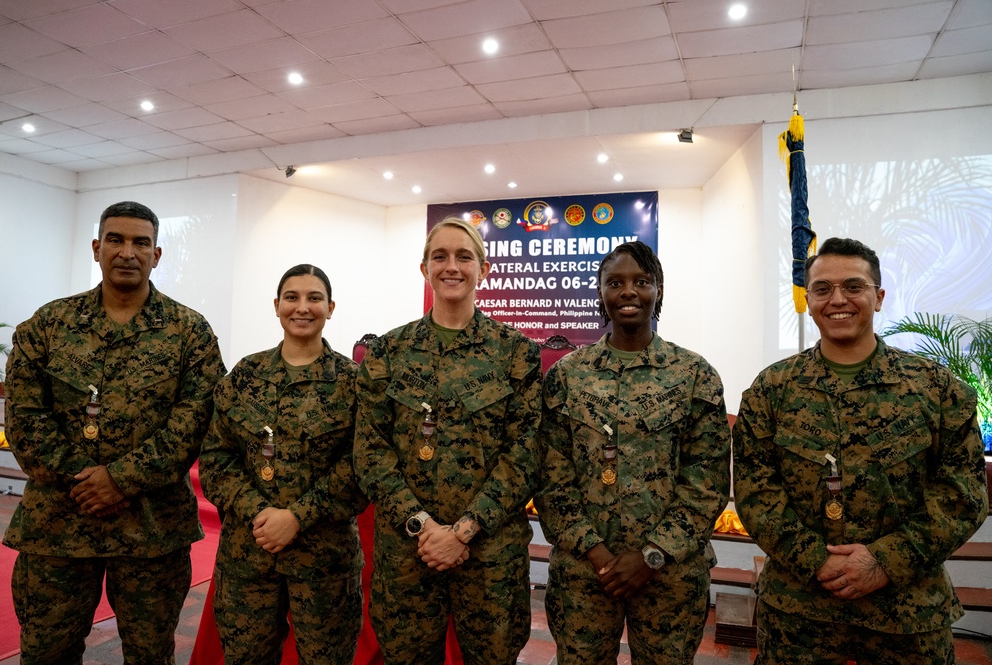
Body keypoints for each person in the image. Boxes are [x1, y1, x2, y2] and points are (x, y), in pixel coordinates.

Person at [733, 237, 989, 664]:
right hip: (799, 617)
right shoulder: (772, 390)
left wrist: (885, 560)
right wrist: (816, 560)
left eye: (853, 286)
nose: (838, 300)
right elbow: (756, 493)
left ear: (879, 296)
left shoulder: (936, 388)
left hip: (907, 616)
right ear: (809, 300)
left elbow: (964, 496)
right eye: (822, 289)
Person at [3, 200, 225, 665]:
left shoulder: (190, 333)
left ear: (157, 254)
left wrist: (120, 480)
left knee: (150, 656)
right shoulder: (47, 325)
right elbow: (25, 421)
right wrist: (87, 482)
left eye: (141, 243)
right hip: (59, 525)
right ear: (96, 248)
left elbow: (193, 424)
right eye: (116, 240)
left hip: (152, 529)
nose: (128, 252)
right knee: (46, 653)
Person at [354, 218, 542, 665]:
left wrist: (463, 531)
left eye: (464, 256)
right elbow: (370, 452)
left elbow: (526, 452)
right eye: (440, 256)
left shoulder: (515, 352)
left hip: (490, 555)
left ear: (485, 269)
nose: (451, 266)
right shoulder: (387, 352)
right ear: (424, 268)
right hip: (408, 552)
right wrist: (424, 526)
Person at [535, 240, 731, 664]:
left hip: (670, 575)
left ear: (659, 290)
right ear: (601, 294)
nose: (629, 292)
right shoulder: (568, 375)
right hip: (585, 575)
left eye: (642, 281)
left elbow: (707, 482)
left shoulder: (694, 375)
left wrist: (652, 555)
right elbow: (551, 477)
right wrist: (596, 552)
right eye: (615, 282)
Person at [200, 264, 367, 664]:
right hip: (249, 556)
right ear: (277, 306)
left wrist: (297, 516)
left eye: (314, 298)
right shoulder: (245, 375)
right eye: (292, 297)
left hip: (325, 560)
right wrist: (260, 512)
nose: (302, 308)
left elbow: (362, 465)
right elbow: (215, 458)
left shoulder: (354, 382)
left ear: (331, 307)